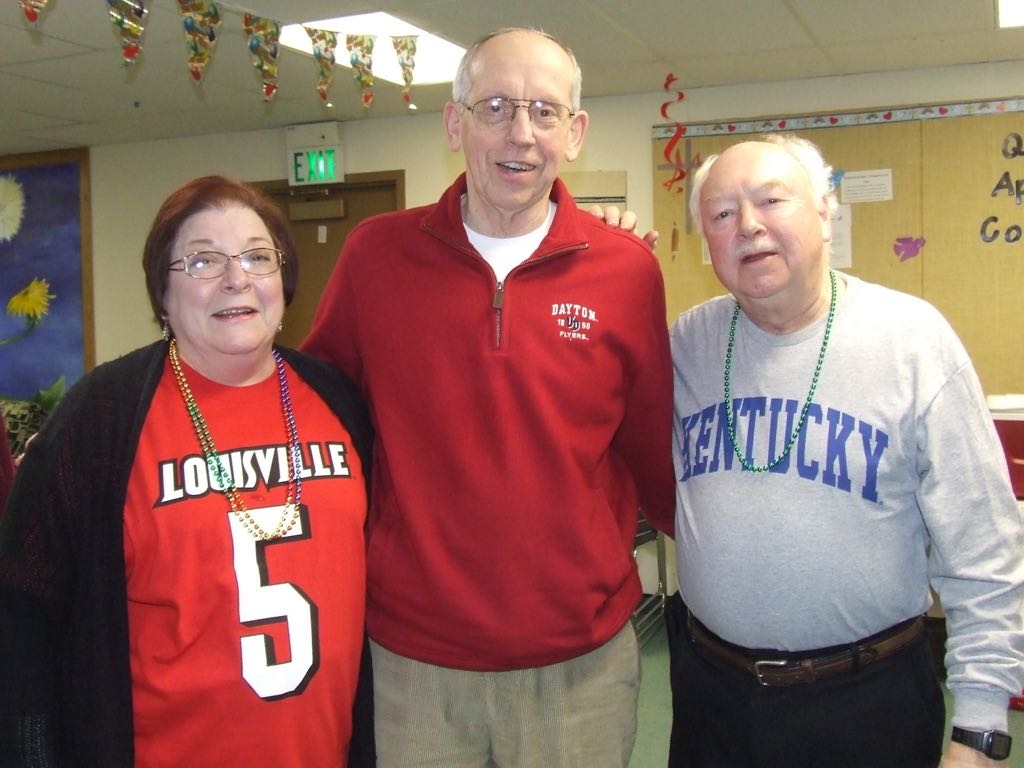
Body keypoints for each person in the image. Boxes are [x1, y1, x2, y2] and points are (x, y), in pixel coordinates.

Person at [302, 26, 675, 768]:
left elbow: (654, 454)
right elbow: (319, 422)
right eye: (497, 106)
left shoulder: (626, 270)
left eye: (544, 112)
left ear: (575, 133)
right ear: (455, 123)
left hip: (582, 665)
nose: (521, 133)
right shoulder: (376, 256)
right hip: (415, 665)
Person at [667, 133, 1024, 767]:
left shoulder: (913, 342)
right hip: (712, 703)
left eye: (772, 200)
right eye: (722, 213)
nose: (748, 226)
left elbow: (985, 550)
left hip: (870, 704)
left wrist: (980, 727)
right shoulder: (686, 344)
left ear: (826, 210)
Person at [0, 176, 375, 767]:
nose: (236, 279)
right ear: (163, 293)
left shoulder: (340, 402)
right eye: (203, 261)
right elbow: (25, 617)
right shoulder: (101, 420)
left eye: (257, 256)